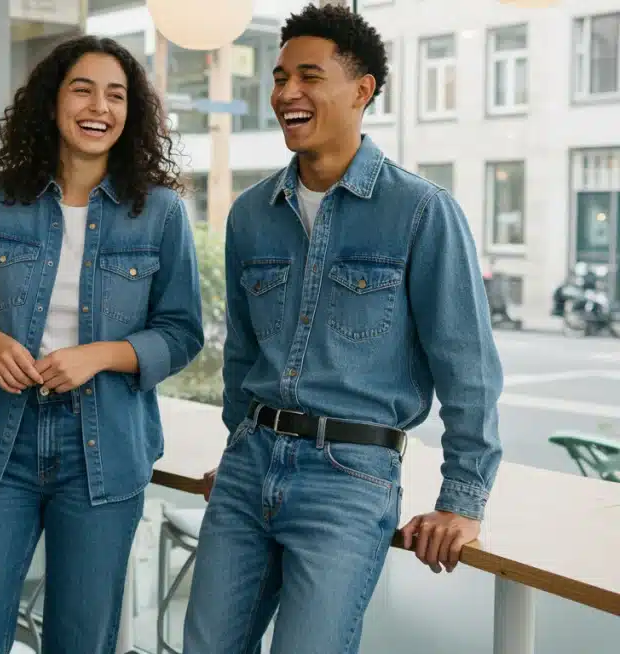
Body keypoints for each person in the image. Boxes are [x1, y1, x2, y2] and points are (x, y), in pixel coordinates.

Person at [182, 4, 504, 652]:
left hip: (348, 477)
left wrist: (461, 502)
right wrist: (237, 445)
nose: (285, 94)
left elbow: (467, 368)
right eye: (278, 78)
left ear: (362, 91)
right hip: (248, 472)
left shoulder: (420, 212)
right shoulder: (251, 215)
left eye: (308, 76)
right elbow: (243, 355)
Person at [0, 35, 205, 653]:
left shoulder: (160, 212)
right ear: (52, 102)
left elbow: (182, 332)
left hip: (105, 449)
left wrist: (99, 356)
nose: (99, 106)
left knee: (80, 639)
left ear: (130, 114)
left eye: (116, 95)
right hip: (4, 444)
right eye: (83, 88)